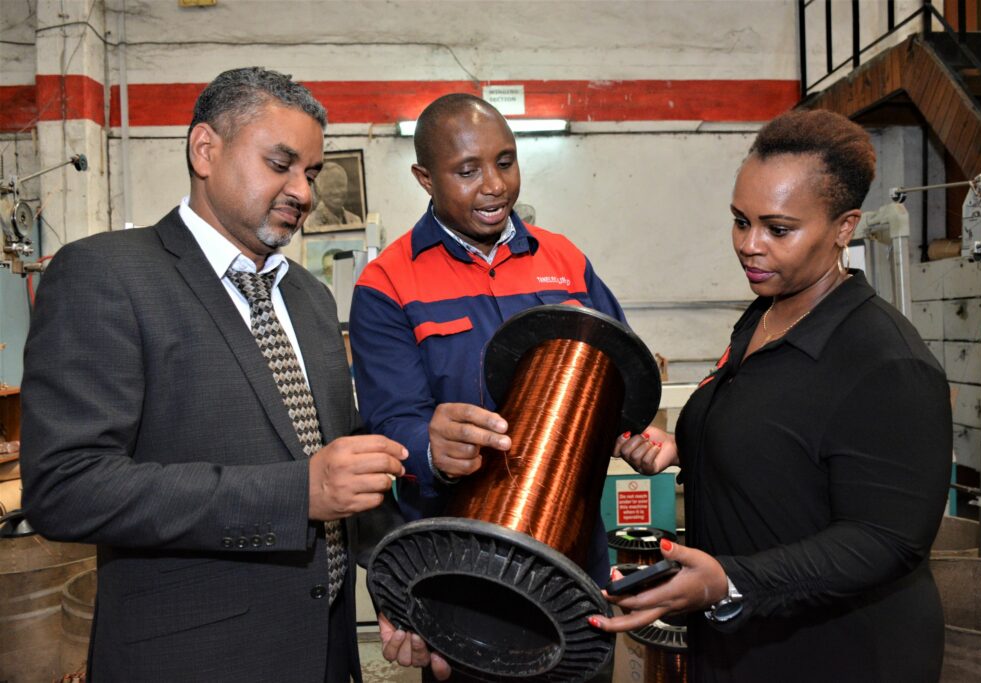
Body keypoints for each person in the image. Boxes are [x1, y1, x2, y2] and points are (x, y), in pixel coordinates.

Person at [20, 67, 409, 682]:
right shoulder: (107, 276)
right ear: (206, 149)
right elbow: (66, 487)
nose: (303, 192)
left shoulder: (309, 298)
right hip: (192, 658)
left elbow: (339, 468)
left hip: (326, 654)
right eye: (279, 163)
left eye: (310, 173)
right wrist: (293, 493)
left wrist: (397, 584)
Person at [589, 109, 952, 682]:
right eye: (740, 221)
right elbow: (786, 436)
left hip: (838, 654)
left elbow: (885, 539)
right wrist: (687, 447)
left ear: (843, 226)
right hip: (742, 638)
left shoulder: (887, 363)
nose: (749, 246)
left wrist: (728, 580)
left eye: (778, 229)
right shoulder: (765, 315)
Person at [348, 93, 626, 679]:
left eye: (506, 161)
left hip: (575, 565)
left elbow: (614, 367)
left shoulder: (564, 259)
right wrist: (430, 449)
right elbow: (391, 419)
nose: (495, 185)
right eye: (468, 170)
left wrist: (631, 430)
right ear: (425, 177)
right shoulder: (388, 284)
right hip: (464, 581)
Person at [307, 161, 362, 228]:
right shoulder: (309, 223)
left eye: (340, 185)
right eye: (331, 186)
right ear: (320, 190)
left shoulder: (355, 220)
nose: (337, 191)